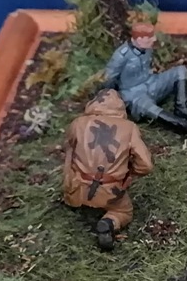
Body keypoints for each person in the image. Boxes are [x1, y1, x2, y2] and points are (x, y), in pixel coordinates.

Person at [62, 89, 154, 251]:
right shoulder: (129, 128)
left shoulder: (77, 123)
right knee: (124, 211)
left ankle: (73, 201)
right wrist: (128, 173)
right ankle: (109, 221)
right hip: (110, 191)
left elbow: (69, 150)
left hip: (77, 187)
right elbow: (146, 165)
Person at [102, 22, 187, 135]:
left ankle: (182, 109)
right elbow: (108, 79)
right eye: (149, 37)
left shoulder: (147, 48)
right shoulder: (121, 56)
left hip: (151, 83)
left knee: (180, 71)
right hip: (134, 96)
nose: (154, 39)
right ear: (139, 39)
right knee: (150, 109)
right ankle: (183, 127)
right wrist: (113, 101)